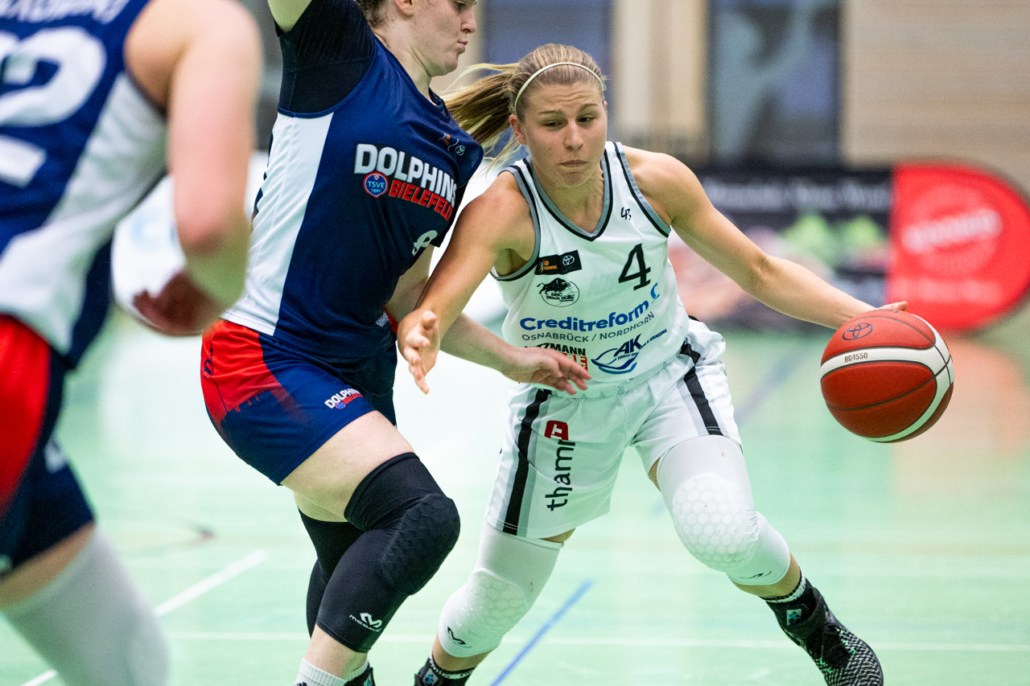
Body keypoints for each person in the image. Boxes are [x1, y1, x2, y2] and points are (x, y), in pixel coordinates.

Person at [399, 44, 895, 686]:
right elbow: (433, 313)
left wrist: (866, 319)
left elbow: (759, 270)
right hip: (563, 399)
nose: (574, 139)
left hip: (668, 376)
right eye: (552, 124)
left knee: (721, 528)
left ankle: (825, 636)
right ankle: (436, 679)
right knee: (498, 601)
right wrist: (446, 339)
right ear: (519, 130)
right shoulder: (501, 211)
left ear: (606, 113)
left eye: (588, 118)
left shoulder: (654, 180)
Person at [196, 3, 589, 686]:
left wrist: (512, 360)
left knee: (349, 565)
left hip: (359, 372)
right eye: (458, 4)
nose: (471, 22)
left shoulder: (452, 145)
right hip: (265, 357)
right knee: (422, 517)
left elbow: (410, 299)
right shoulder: (338, 49)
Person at [0, 0, 260, 684]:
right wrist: (217, 287)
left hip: (26, 395)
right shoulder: (197, 24)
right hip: (9, 352)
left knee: (126, 658)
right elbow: (207, 228)